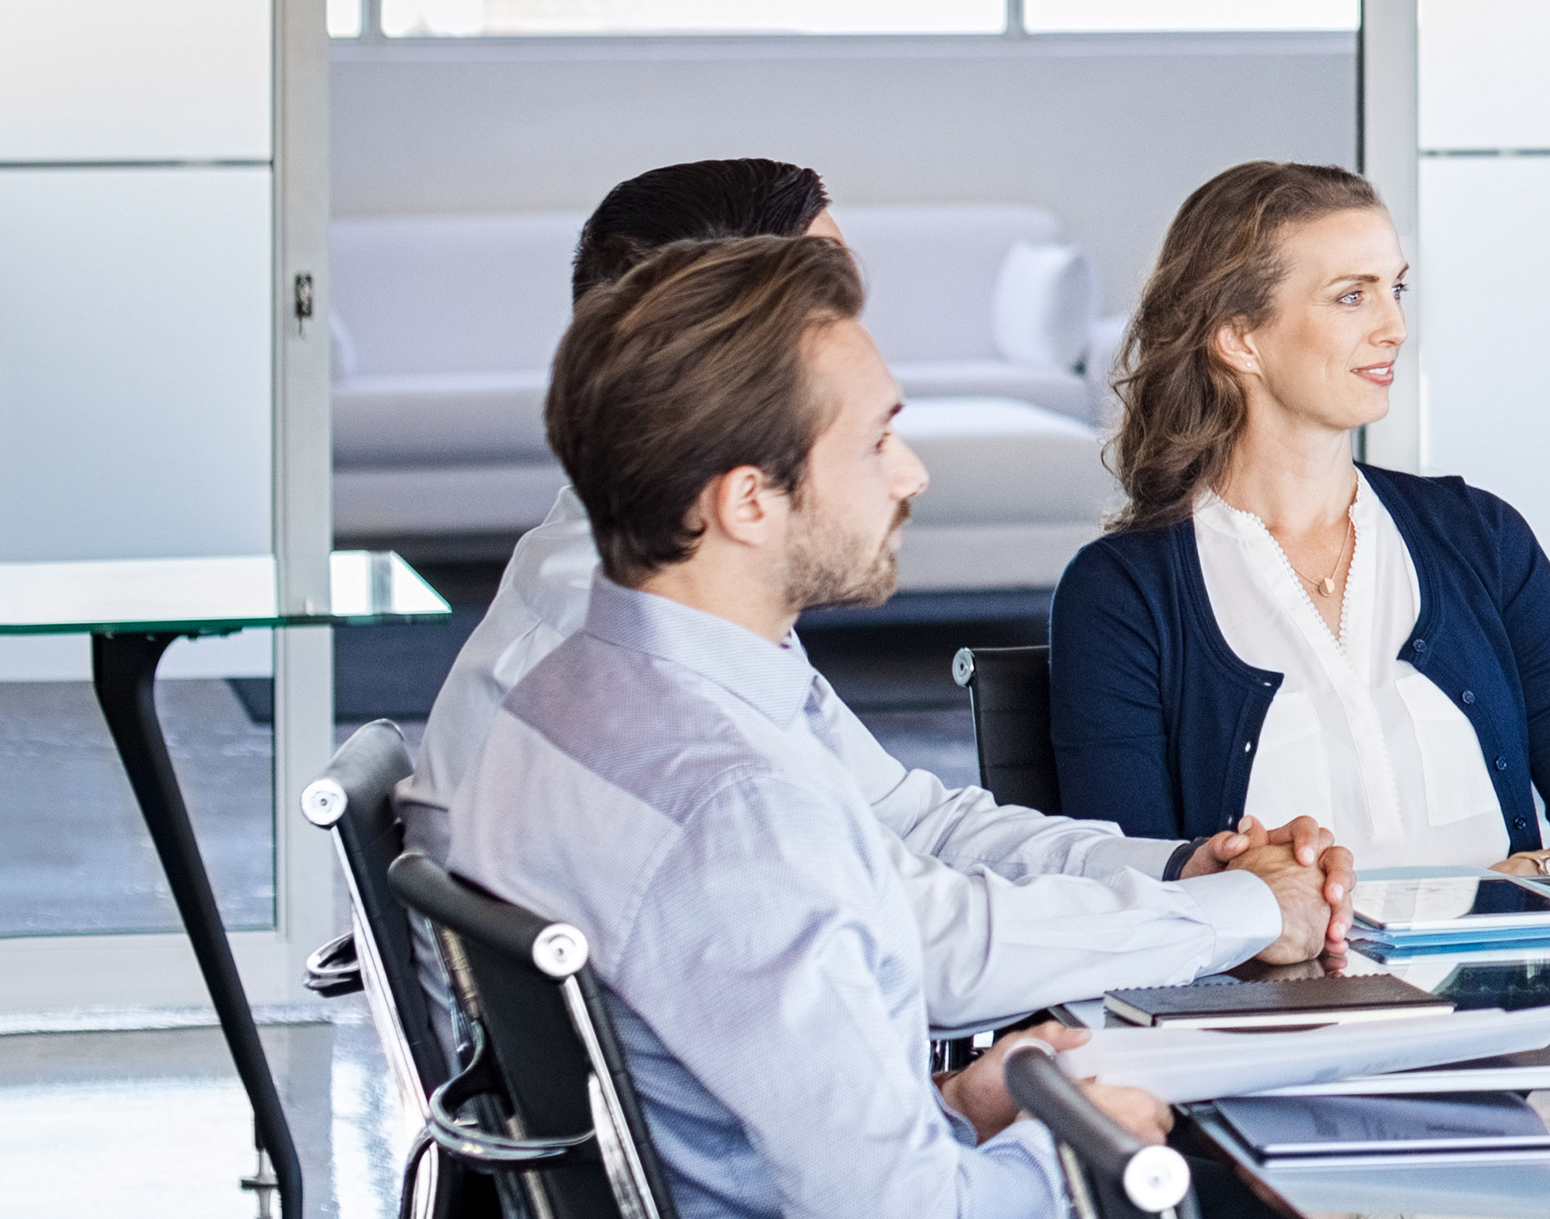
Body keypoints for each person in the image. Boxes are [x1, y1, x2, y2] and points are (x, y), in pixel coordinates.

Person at [400, 234, 1355, 1218]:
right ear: (748, 501)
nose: (911, 476)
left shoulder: (566, 696)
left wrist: (960, 1105)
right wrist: (1070, 1144)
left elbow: (773, 1088)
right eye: (876, 440)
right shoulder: (737, 807)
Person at [1051, 162, 1550, 874]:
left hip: (1497, 984)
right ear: (1240, 339)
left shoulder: (1481, 538)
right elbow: (1126, 882)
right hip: (1280, 987)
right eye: (1352, 296)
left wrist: (1516, 883)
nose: (1395, 327)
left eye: (1395, 288)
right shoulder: (1122, 593)